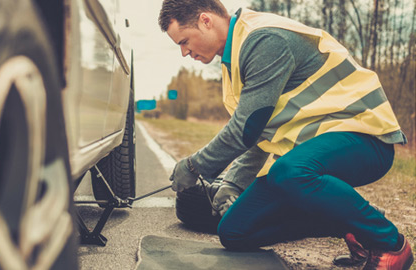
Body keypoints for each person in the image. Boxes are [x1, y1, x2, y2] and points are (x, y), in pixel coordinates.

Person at [158, 0, 413, 269]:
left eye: (184, 41)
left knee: (288, 172)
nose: (184, 52)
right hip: (313, 153)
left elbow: (245, 128)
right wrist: (232, 183)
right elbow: (259, 132)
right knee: (234, 230)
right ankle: (353, 224)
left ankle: (390, 243)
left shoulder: (263, 40)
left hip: (365, 138)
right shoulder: (234, 59)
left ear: (205, 21)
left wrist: (194, 166)